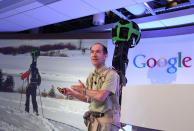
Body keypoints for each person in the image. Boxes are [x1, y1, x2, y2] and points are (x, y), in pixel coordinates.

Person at [60, 43, 121, 131]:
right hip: (93, 122)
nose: (94, 55)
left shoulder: (111, 74)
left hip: (107, 124)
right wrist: (71, 93)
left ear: (106, 55)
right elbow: (89, 99)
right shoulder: (91, 76)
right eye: (92, 52)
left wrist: (84, 90)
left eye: (98, 52)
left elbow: (101, 96)